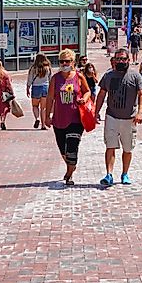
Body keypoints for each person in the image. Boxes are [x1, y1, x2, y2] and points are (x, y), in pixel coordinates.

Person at [95, 48, 142, 186]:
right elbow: (101, 94)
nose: (121, 61)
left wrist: (140, 113)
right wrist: (96, 112)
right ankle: (109, 174)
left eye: (123, 59)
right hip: (112, 116)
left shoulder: (135, 76)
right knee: (110, 146)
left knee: (127, 149)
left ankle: (125, 173)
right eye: (118, 59)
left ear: (128, 60)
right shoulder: (108, 76)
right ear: (114, 60)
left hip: (129, 118)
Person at [45, 49, 91, 186]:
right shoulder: (55, 78)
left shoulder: (79, 76)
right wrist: (47, 116)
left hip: (76, 118)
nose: (64, 63)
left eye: (67, 61)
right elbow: (50, 98)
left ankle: (69, 174)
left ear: (73, 62)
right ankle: (71, 165)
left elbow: (87, 91)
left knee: (72, 147)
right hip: (59, 119)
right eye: (62, 61)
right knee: (63, 150)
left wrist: (84, 98)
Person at [26, 53, 52, 129]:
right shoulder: (48, 68)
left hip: (36, 88)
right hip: (45, 87)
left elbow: (30, 79)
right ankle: (43, 125)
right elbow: (51, 79)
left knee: (35, 106)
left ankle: (37, 119)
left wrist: (27, 88)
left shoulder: (33, 68)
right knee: (43, 108)